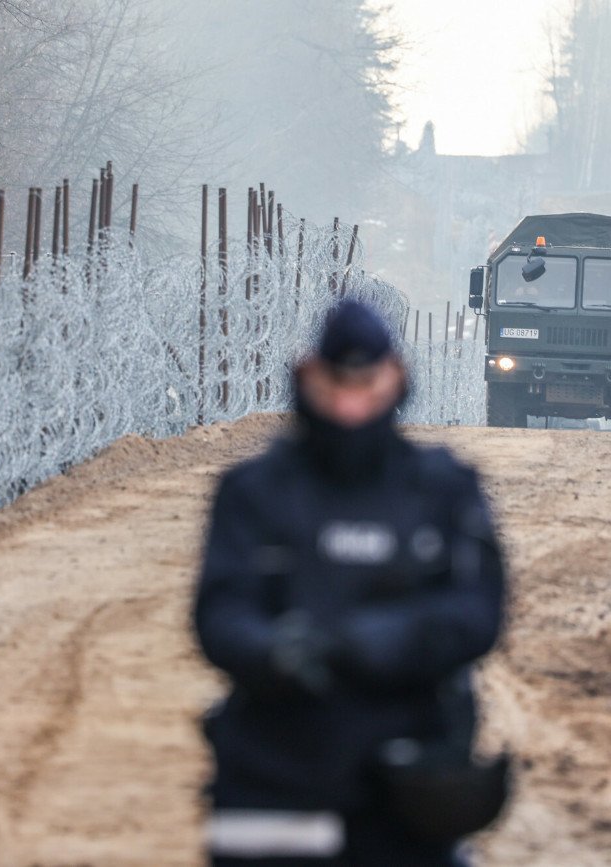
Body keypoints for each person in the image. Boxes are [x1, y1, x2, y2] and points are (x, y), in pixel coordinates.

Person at [194, 300, 508, 866]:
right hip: (278, 762)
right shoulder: (255, 491)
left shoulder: (442, 489)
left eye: (367, 386)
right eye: (335, 384)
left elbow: (479, 612)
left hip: (406, 771)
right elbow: (219, 611)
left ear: (397, 380)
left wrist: (378, 639)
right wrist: (273, 651)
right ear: (307, 376)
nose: (349, 405)